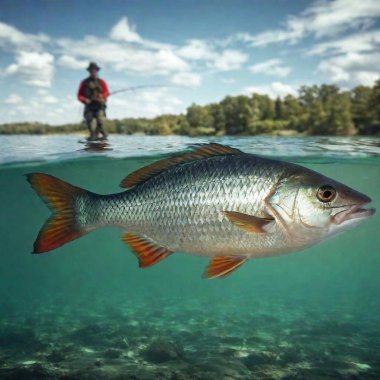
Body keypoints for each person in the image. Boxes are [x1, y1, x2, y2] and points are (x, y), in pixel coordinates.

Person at [77, 62, 110, 140]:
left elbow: (107, 92)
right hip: (89, 106)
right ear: (89, 71)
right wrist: (85, 99)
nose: (93, 72)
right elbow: (79, 95)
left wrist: (102, 96)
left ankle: (101, 137)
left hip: (100, 106)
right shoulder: (84, 82)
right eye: (91, 70)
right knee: (89, 121)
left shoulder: (102, 82)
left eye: (94, 70)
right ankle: (93, 136)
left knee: (100, 122)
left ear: (97, 71)